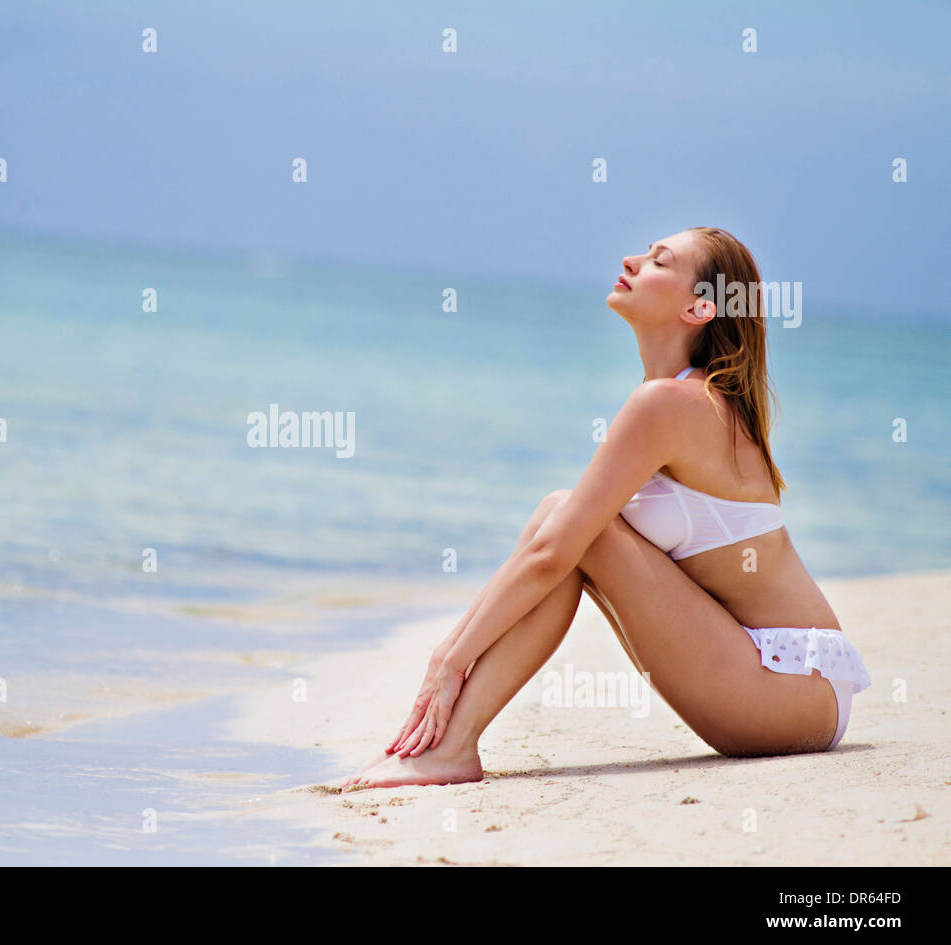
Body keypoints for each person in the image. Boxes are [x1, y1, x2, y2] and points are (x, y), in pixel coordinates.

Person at [340, 226, 872, 791]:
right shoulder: (678, 397)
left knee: (576, 526)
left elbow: (552, 554)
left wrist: (446, 662)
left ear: (699, 306)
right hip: (785, 682)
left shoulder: (671, 403)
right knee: (564, 515)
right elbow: (553, 546)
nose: (632, 259)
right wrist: (449, 659)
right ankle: (447, 743)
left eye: (658, 261)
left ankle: (449, 745)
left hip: (790, 683)